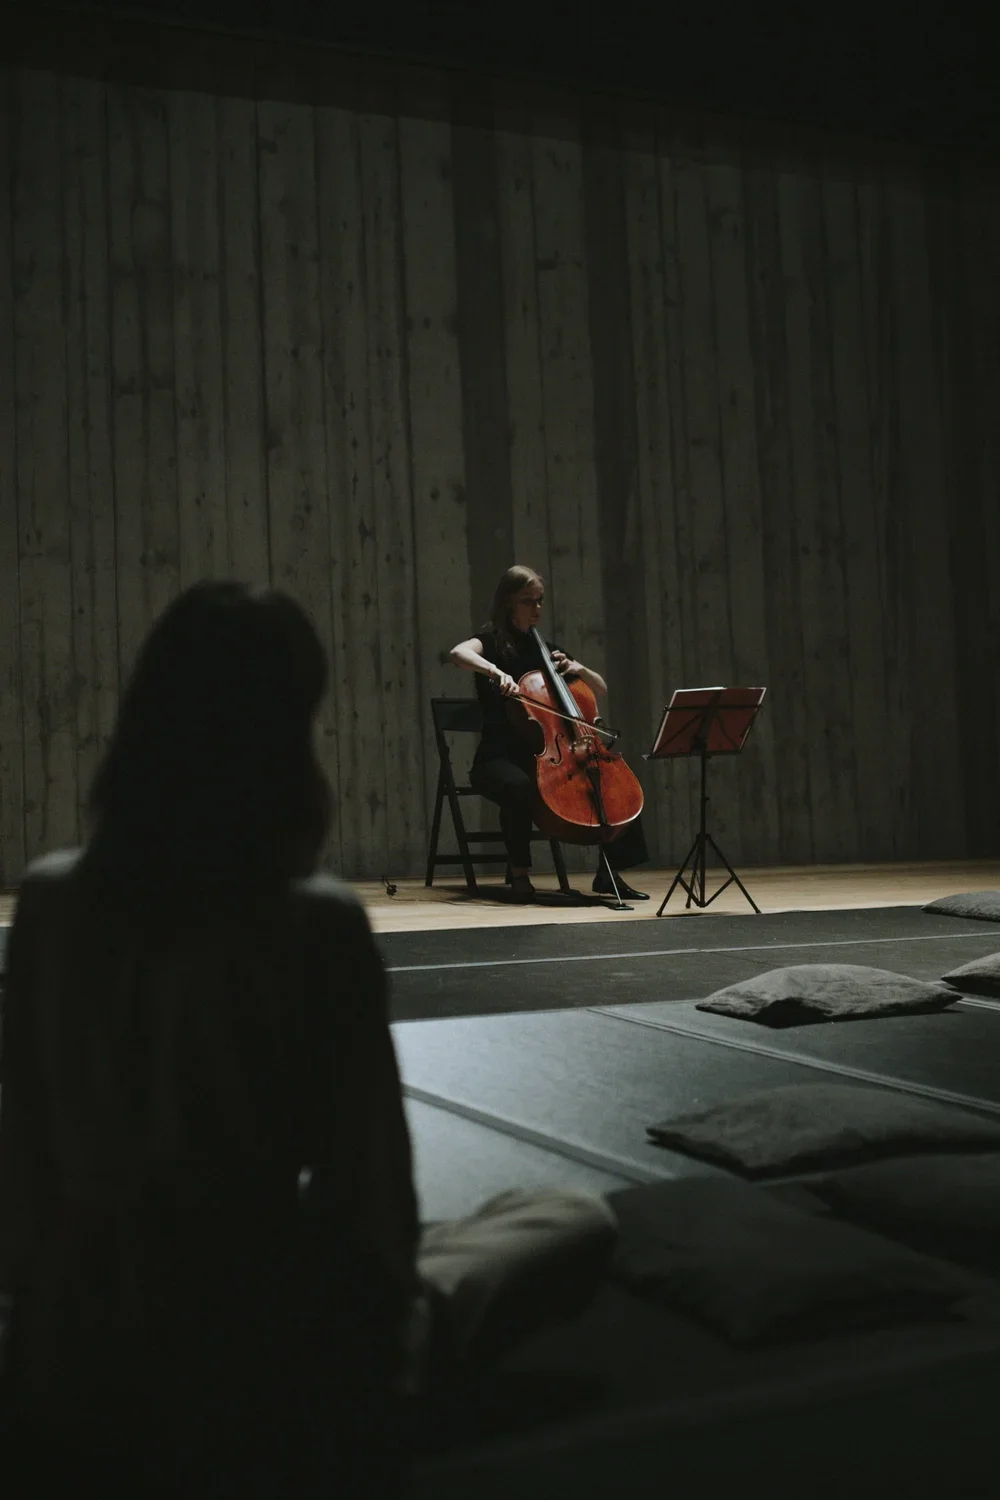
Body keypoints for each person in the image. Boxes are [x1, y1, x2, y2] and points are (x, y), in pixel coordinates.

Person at [0, 582, 615, 1497]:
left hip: (73, 1340)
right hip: (262, 1347)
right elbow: (368, 1193)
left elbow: (22, 1163)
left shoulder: (46, 902)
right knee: (572, 1217)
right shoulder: (314, 924)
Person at [450, 565, 649, 901]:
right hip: (499, 758)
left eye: (540, 601)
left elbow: (599, 688)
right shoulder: (490, 643)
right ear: (509, 602)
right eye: (529, 601)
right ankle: (518, 873)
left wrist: (579, 668)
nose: (537, 609)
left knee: (613, 783)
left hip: (553, 756)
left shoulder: (549, 652)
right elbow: (458, 653)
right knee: (518, 787)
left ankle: (609, 873)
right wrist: (495, 672)